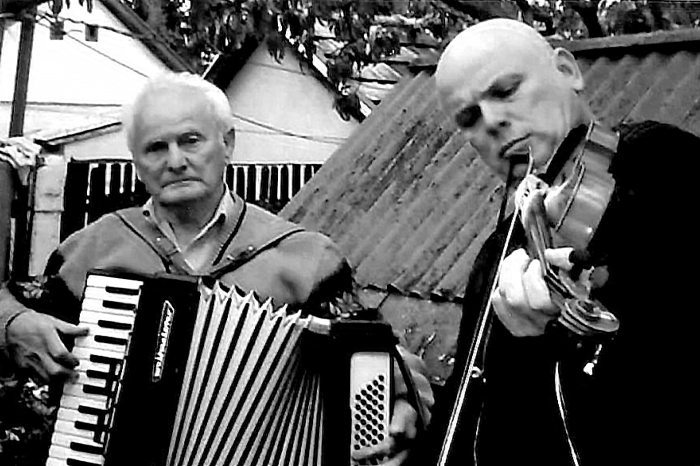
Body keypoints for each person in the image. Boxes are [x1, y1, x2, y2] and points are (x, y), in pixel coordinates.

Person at [0, 72, 433, 465]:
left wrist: (404, 400)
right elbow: (22, 333)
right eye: (155, 148)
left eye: (191, 140)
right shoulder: (87, 254)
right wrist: (12, 322)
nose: (175, 160)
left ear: (227, 143)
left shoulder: (306, 259)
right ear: (136, 161)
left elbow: (380, 359)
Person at [411, 18, 698, 466]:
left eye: (505, 91)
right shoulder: (498, 254)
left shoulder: (666, 167)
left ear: (567, 70)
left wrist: (573, 333)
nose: (491, 121)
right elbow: (480, 419)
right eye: (468, 118)